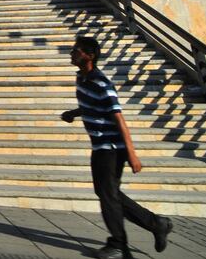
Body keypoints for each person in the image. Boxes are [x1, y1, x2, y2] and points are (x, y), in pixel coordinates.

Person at [61, 35, 173, 259]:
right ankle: (156, 224)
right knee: (108, 193)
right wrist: (73, 113)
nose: (72, 53)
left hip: (111, 148)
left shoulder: (102, 83)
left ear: (90, 56)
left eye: (77, 50)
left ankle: (119, 245)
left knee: (107, 194)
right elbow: (91, 105)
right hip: (100, 146)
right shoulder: (82, 79)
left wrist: (132, 154)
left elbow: (119, 118)